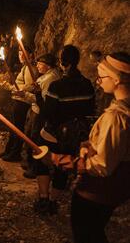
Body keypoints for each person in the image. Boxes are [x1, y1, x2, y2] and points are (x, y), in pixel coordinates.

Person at [43, 52, 130, 242]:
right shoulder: (124, 109)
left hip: (97, 193)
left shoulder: (117, 117)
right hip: (113, 190)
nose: (98, 82)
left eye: (102, 76)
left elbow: (102, 165)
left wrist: (58, 159)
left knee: (88, 234)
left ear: (116, 80)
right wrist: (89, 144)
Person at [34, 45, 96, 214]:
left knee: (42, 162)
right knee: (63, 168)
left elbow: (48, 113)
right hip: (74, 135)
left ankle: (44, 198)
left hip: (53, 134)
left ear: (63, 63)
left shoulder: (57, 86)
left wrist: (38, 95)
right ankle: (53, 202)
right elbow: (90, 110)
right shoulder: (87, 85)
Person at [20, 53, 61, 178]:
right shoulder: (45, 76)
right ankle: (29, 163)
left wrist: (25, 95)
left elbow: (42, 99)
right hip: (34, 110)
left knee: (35, 139)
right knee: (30, 136)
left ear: (47, 65)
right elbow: (35, 88)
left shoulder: (50, 78)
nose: (37, 65)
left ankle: (35, 168)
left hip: (39, 114)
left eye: (40, 63)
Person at [0, 47, 36, 161]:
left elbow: (29, 87)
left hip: (22, 102)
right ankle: (9, 150)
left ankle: (15, 153)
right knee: (13, 128)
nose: (21, 56)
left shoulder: (29, 69)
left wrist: (10, 87)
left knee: (17, 128)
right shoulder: (24, 67)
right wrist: (9, 86)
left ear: (30, 55)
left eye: (23, 53)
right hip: (18, 100)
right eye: (19, 54)